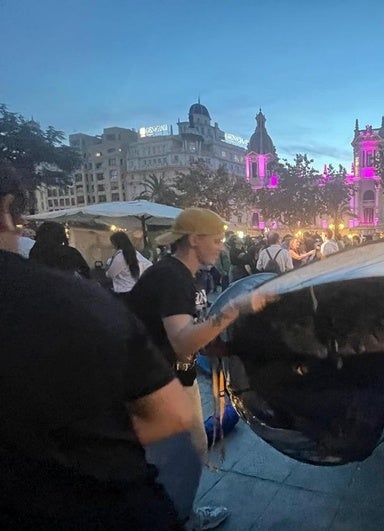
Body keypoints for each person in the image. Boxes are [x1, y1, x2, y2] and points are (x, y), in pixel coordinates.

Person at [0, 176, 195, 529]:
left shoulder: (114, 273)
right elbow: (171, 414)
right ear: (6, 210)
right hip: (106, 507)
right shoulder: (83, 304)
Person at [129, 207, 274, 529]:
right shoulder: (171, 276)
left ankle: (177, 514)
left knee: (188, 448)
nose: (222, 246)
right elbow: (182, 341)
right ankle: (180, 518)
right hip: (157, 382)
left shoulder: (180, 274)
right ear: (195, 239)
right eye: (218, 239)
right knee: (180, 456)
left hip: (174, 375)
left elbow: (191, 333)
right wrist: (236, 309)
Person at [106, 231, 153, 296]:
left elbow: (110, 274)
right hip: (136, 289)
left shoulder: (120, 256)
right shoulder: (135, 253)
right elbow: (148, 265)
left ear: (116, 243)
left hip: (123, 290)